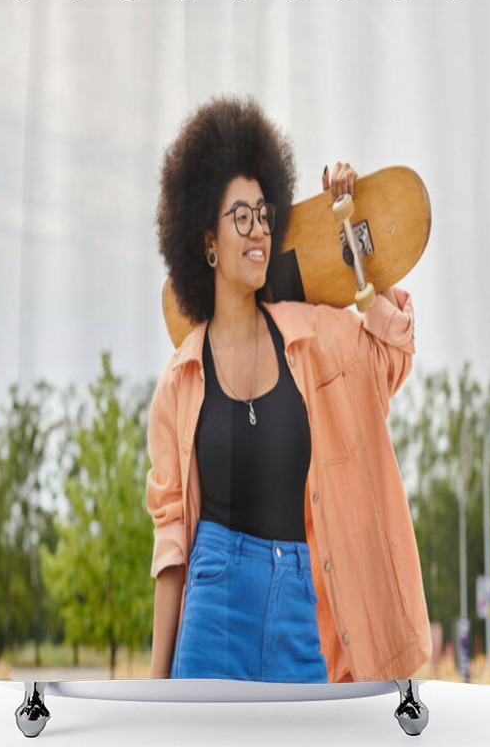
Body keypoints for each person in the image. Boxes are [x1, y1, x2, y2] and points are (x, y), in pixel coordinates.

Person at [147, 95, 432, 683]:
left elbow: (391, 356)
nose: (258, 232)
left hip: (300, 606)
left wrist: (352, 242)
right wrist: (154, 692)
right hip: (214, 603)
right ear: (206, 240)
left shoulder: (315, 338)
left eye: (264, 213)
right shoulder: (180, 381)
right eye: (240, 218)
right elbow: (172, 548)